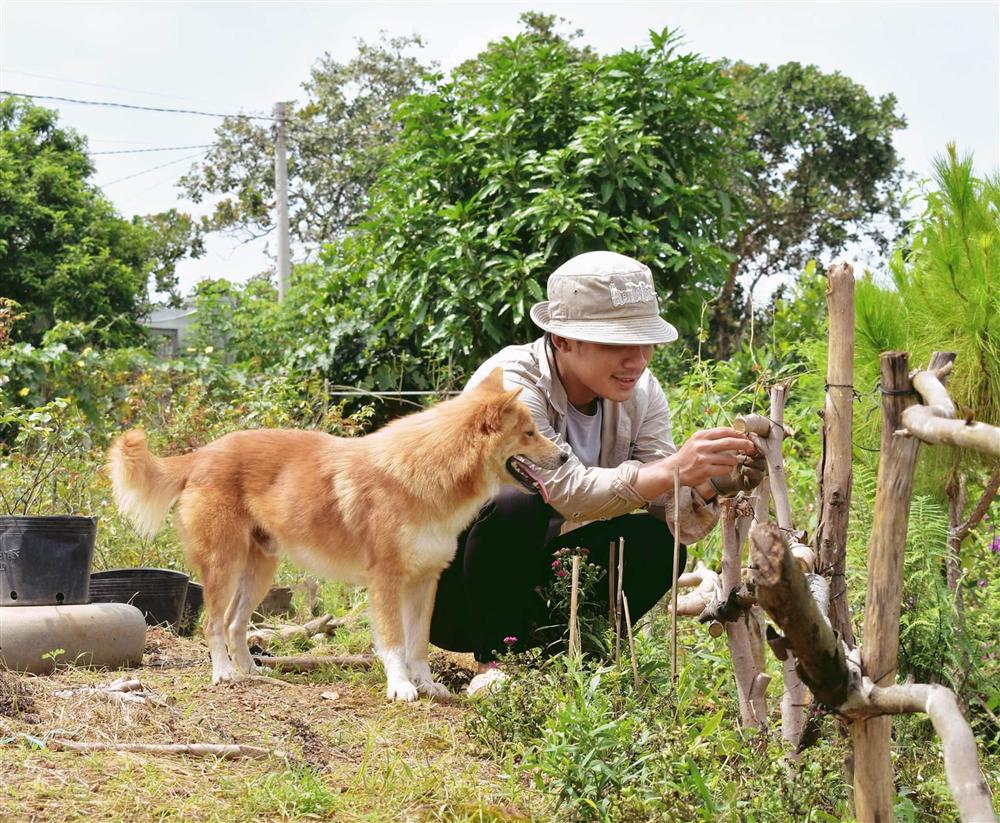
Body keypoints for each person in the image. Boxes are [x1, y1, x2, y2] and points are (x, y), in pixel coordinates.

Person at [429, 251, 765, 694]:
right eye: (617, 344)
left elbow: (665, 500)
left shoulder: (641, 393)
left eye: (645, 342)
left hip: (540, 569)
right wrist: (673, 468)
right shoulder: (510, 383)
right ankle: (495, 664)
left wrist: (716, 480)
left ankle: (565, 656)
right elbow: (564, 489)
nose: (638, 359)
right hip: (449, 591)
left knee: (660, 544)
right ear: (562, 339)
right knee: (519, 500)